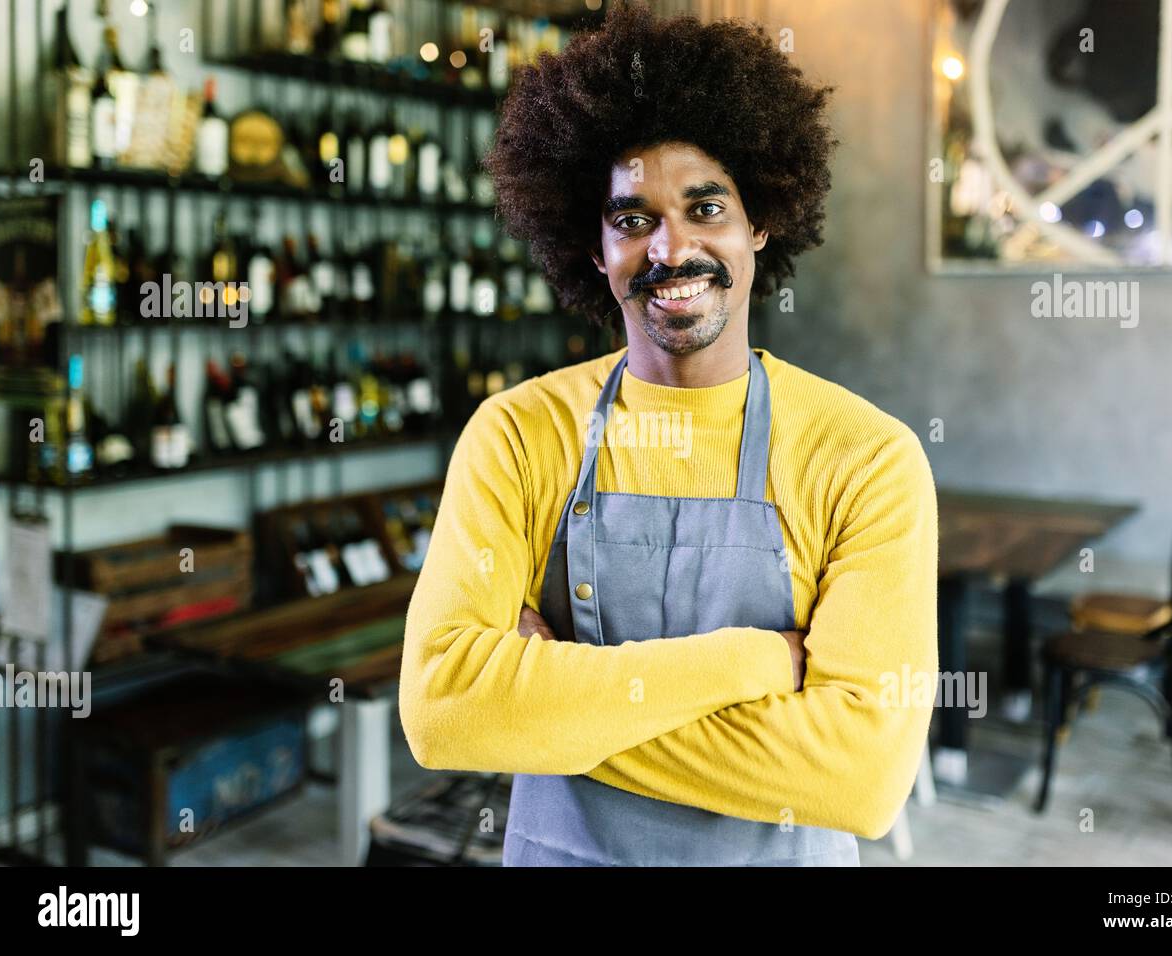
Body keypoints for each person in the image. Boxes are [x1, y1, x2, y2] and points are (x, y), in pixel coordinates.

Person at [399, 0, 938, 867]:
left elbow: (859, 778)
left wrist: (546, 715)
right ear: (595, 248)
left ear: (760, 222)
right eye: (633, 218)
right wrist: (756, 664)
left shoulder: (866, 459)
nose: (670, 248)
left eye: (705, 207)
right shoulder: (517, 436)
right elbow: (442, 711)